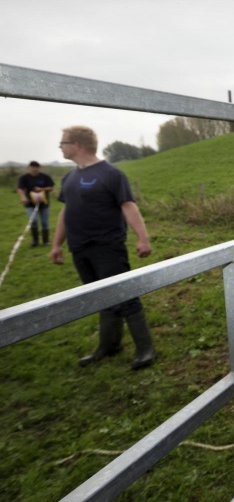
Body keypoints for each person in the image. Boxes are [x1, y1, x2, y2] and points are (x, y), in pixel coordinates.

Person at [50, 126, 156, 370]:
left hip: (107, 247)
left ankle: (145, 348)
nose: (61, 147)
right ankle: (109, 345)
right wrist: (57, 244)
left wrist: (143, 238)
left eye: (63, 142)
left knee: (123, 294)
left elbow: (128, 206)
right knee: (99, 297)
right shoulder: (69, 177)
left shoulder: (111, 174)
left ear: (77, 144)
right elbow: (66, 212)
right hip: (80, 248)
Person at [16, 161, 55, 247]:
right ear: (29, 168)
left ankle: (46, 241)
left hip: (44, 203)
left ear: (39, 168)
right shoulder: (24, 178)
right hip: (30, 204)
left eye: (36, 167)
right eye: (32, 167)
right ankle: (35, 241)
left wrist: (42, 189)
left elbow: (51, 187)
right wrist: (23, 197)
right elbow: (20, 189)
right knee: (33, 220)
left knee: (45, 222)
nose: (34, 169)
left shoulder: (45, 177)